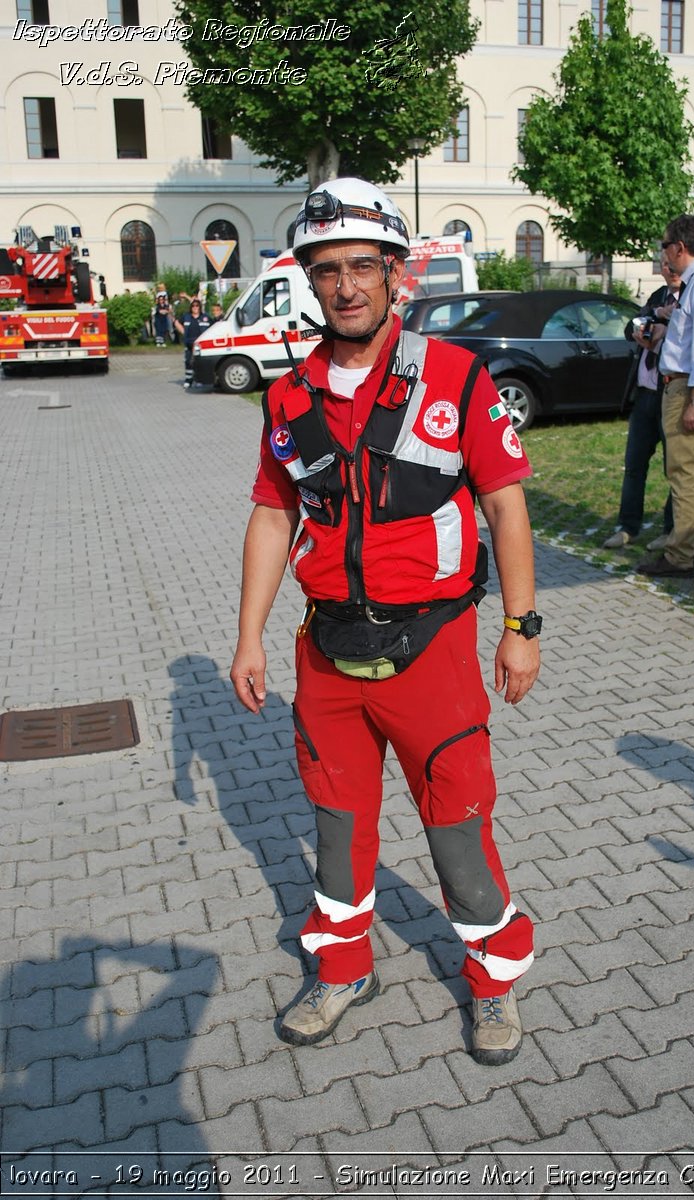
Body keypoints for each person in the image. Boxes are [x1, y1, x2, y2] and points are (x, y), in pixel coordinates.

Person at [230, 177, 541, 1066]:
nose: (346, 286)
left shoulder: (457, 378)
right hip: (326, 654)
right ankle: (342, 968)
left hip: (434, 651)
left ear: (397, 274)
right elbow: (269, 514)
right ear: (309, 280)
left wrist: (522, 624)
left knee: (457, 829)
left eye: (363, 265)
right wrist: (249, 635)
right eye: (326, 270)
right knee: (335, 825)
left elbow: (505, 504)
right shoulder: (288, 398)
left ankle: (489, 986)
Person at [637, 214, 694, 578]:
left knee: (685, 473)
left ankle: (680, 555)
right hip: (691, 383)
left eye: (665, 246)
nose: (664, 254)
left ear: (680, 247)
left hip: (690, 385)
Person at [602, 255, 680, 550]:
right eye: (662, 265)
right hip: (644, 394)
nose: (668, 270)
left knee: (674, 467)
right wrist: (645, 325)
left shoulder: (690, 297)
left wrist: (666, 323)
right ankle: (627, 527)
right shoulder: (658, 296)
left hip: (671, 394)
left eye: (672, 264)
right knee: (634, 465)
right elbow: (630, 328)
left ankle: (672, 531)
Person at [174, 298, 211, 388]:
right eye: (193, 306)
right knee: (188, 361)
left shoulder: (205, 317)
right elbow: (176, 322)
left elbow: (213, 326)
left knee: (199, 362)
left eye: (197, 306)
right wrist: (183, 331)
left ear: (200, 307)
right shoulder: (186, 316)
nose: (195, 307)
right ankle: (188, 380)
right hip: (189, 342)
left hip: (200, 344)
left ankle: (199, 380)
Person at [153, 282, 173, 348]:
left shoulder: (165, 294)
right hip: (159, 314)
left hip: (164, 312)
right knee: (159, 328)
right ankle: (159, 341)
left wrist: (167, 309)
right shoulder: (159, 295)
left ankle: (164, 341)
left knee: (165, 328)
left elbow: (167, 303)